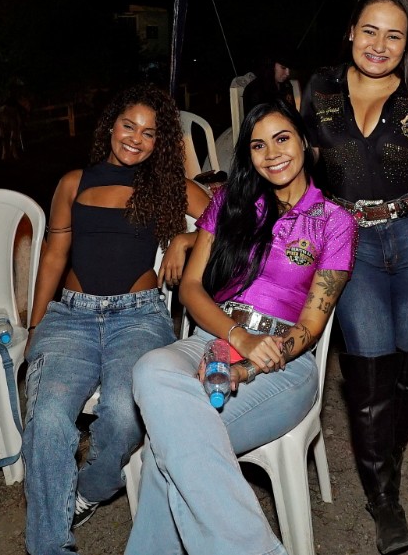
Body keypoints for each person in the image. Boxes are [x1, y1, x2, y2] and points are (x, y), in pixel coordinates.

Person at [125, 98, 356, 555]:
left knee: (167, 449)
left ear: (304, 142)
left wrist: (246, 365)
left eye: (282, 139)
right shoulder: (231, 205)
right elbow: (191, 288)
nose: (272, 154)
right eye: (258, 145)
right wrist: (236, 337)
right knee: (150, 367)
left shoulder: (334, 222)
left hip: (282, 362)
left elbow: (311, 325)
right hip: (214, 337)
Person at [301, 0, 408, 554]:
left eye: (394, 35)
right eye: (370, 30)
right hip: (350, 245)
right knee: (368, 366)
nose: (379, 44)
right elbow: (299, 169)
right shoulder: (320, 90)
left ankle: (384, 451)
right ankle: (384, 497)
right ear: (351, 31)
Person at [21, 83, 209, 555]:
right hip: (71, 317)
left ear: (159, 143)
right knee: (47, 418)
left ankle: (90, 489)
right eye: (129, 126)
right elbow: (53, 256)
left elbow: (227, 216)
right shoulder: (73, 182)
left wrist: (186, 240)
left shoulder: (165, 186)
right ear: (111, 127)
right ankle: (50, 546)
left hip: (138, 318)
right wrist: (35, 325)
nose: (135, 139)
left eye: (148, 133)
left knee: (126, 415)